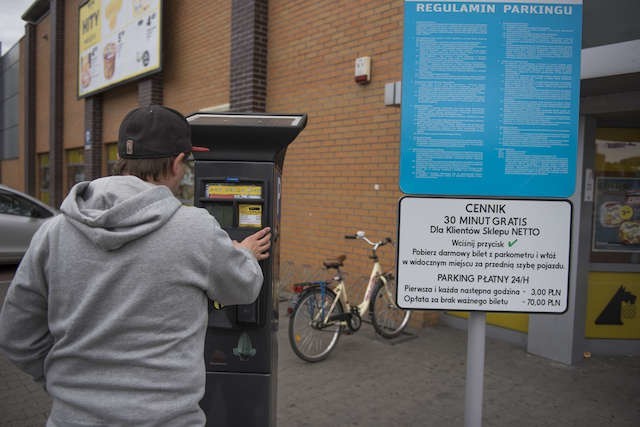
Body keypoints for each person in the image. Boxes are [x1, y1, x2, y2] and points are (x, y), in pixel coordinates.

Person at [0, 105, 271, 426]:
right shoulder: (196, 228)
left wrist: (66, 381)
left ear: (124, 160)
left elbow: (15, 334)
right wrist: (246, 254)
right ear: (176, 162)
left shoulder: (54, 231)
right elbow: (244, 287)